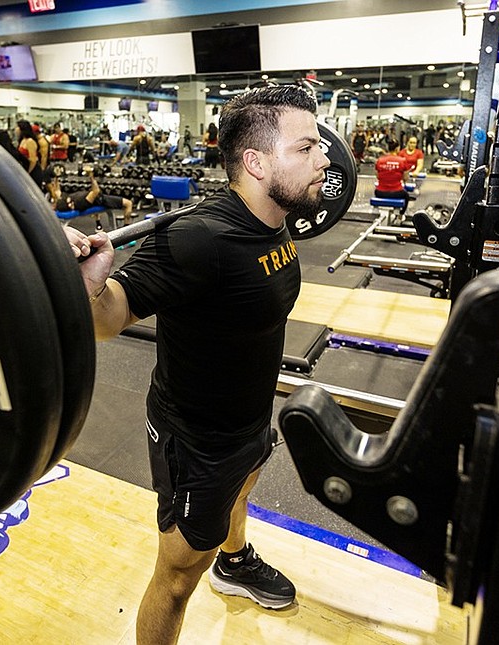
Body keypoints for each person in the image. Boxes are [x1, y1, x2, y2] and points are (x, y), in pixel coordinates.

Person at [64, 84, 330, 645]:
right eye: (306, 148)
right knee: (180, 575)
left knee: (245, 489)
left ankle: (234, 563)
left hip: (251, 416)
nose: (326, 160)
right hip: (197, 439)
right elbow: (108, 319)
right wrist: (91, 287)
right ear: (256, 162)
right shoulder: (197, 238)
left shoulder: (275, 217)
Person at [44, 165, 133, 229]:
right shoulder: (81, 203)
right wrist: (91, 176)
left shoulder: (61, 200)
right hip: (102, 199)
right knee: (128, 203)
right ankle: (127, 229)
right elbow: (96, 191)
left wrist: (56, 177)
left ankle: (99, 224)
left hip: (95, 196)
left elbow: (56, 190)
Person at [373, 138, 415, 213]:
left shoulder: (380, 160)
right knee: (406, 196)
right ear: (397, 149)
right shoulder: (402, 160)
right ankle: (400, 216)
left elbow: (378, 176)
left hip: (380, 192)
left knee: (376, 191)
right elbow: (405, 178)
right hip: (397, 192)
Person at [15, 120, 43, 187]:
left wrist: (27, 173)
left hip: (33, 171)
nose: (15, 129)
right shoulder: (22, 140)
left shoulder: (30, 141)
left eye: (17, 127)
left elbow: (33, 160)